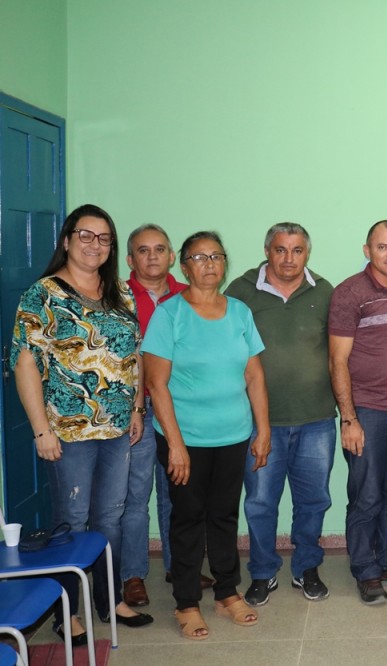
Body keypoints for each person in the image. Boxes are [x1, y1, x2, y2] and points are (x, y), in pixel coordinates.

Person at [11, 204, 153, 646]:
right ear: (67, 240)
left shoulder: (121, 292)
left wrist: (136, 408)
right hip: (68, 432)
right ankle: (66, 612)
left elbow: (134, 355)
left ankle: (110, 601)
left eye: (104, 238)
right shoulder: (43, 294)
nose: (95, 245)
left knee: (110, 517)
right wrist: (41, 430)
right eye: (86, 235)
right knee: (72, 520)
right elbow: (25, 363)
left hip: (117, 429)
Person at [143, 231, 270, 640]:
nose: (209, 263)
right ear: (184, 267)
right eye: (199, 257)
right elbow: (156, 383)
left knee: (224, 515)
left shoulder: (239, 312)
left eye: (216, 256)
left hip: (233, 434)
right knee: (187, 519)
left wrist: (263, 429)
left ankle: (227, 592)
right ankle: (186, 602)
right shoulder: (170, 314)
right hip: (185, 438)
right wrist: (175, 445)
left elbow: (254, 375)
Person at [225, 223, 336, 605]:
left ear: (307, 253)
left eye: (297, 250)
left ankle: (307, 568)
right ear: (267, 251)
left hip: (316, 419)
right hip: (261, 422)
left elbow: (339, 351)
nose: (289, 258)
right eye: (280, 250)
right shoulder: (241, 291)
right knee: (259, 502)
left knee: (314, 500)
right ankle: (262, 572)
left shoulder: (324, 291)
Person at [329, 220, 387, 605]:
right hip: (368, 412)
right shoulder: (349, 293)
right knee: (366, 496)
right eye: (382, 247)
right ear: (367, 250)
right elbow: (337, 361)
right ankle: (365, 569)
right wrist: (348, 418)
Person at [121, 223, 197, 608]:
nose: (152, 256)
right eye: (143, 250)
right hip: (134, 410)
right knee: (135, 496)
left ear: (172, 257)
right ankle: (133, 574)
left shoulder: (189, 295)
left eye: (159, 249)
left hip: (177, 408)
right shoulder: (115, 297)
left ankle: (179, 566)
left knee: (177, 493)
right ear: (130, 259)